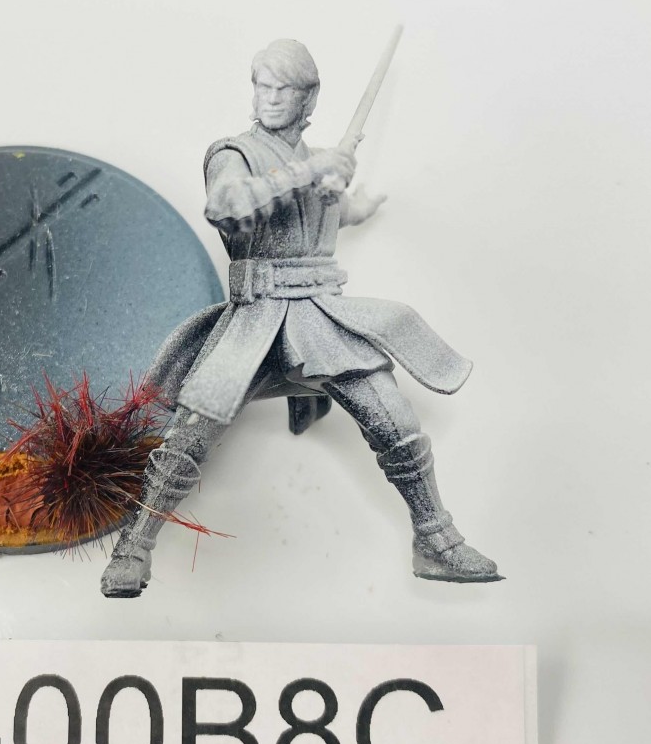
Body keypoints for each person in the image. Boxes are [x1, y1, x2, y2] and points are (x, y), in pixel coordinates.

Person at [101, 39, 499, 596]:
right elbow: (225, 204)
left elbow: (325, 215)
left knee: (396, 422)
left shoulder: (315, 159)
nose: (269, 98)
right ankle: (134, 547)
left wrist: (353, 200)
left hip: (320, 318)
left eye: (283, 89)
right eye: (262, 86)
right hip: (255, 319)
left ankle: (435, 540)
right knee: (191, 433)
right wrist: (310, 170)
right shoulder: (235, 153)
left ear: (307, 100)